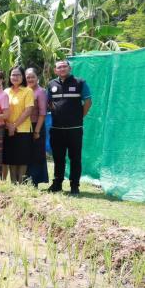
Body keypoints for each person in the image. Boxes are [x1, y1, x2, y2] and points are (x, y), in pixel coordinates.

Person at [47, 60, 92, 195]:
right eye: (59, 67)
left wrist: (79, 117)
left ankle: (74, 186)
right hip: (57, 129)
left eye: (64, 66)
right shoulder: (51, 84)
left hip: (75, 129)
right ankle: (57, 184)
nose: (62, 69)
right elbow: (48, 103)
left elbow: (88, 102)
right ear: (55, 70)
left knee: (75, 158)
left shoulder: (80, 82)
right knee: (58, 158)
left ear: (69, 68)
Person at [3, 66, 34, 183]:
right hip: (7, 129)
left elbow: (28, 110)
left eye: (18, 75)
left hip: (23, 129)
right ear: (9, 77)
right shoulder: (6, 91)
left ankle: (21, 182)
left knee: (22, 158)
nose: (15, 77)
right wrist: (8, 125)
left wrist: (14, 126)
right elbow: (2, 110)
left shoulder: (28, 91)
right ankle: (13, 182)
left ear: (23, 77)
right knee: (11, 157)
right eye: (13, 75)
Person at [25, 67, 49, 187]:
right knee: (27, 154)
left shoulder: (40, 92)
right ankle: (25, 180)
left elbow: (43, 113)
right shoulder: (24, 90)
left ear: (37, 78)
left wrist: (37, 131)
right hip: (25, 127)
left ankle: (34, 181)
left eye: (32, 77)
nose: (30, 79)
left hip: (36, 126)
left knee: (36, 154)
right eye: (28, 77)